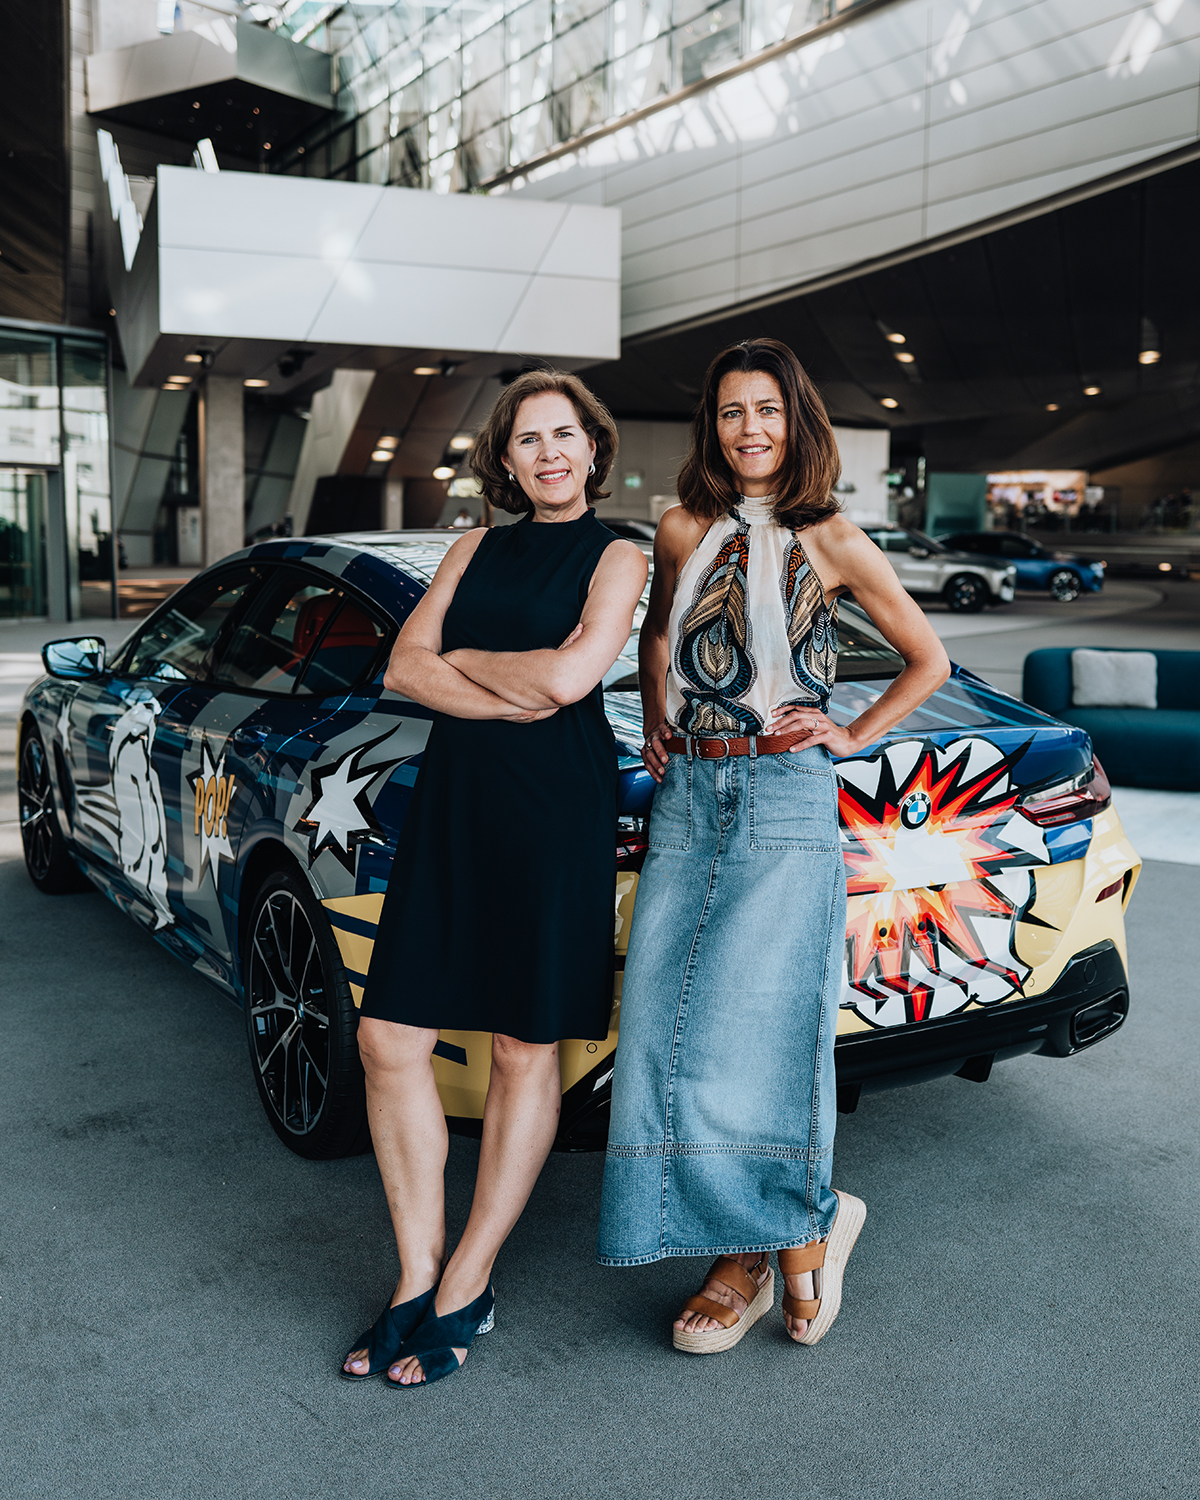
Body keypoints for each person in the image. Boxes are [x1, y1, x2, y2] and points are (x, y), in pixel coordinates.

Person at [597, 338, 950, 1352]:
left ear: (796, 422)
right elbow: (660, 629)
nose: (749, 429)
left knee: (766, 1029)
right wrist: (660, 715)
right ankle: (778, 1227)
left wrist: (850, 731)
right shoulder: (679, 526)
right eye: (729, 412)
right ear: (711, 427)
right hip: (692, 794)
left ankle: (781, 1237)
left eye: (767, 411)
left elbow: (926, 658)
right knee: (667, 1027)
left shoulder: (831, 536)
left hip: (787, 792)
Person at [343, 371, 647, 1388]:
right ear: (505, 460)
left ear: (594, 452)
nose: (550, 454)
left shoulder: (618, 554)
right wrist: (502, 675)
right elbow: (401, 667)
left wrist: (466, 665)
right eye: (529, 440)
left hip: (554, 809)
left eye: (566, 436)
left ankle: (468, 1277)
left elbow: (572, 680)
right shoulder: (471, 547)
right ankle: (413, 1273)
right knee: (390, 1037)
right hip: (458, 806)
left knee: (524, 1044)